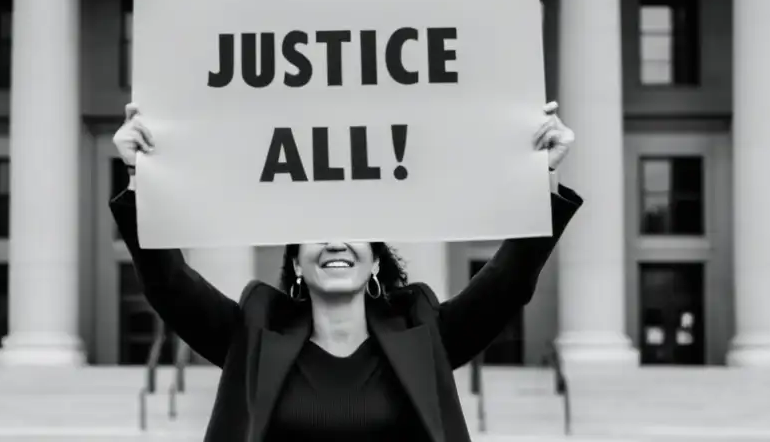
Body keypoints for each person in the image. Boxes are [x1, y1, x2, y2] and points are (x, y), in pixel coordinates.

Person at [110, 101, 583, 442]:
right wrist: (139, 178)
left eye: (353, 231)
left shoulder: (421, 328)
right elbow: (170, 285)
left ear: (375, 260)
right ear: (296, 262)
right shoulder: (254, 330)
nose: (336, 242)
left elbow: (506, 283)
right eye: (317, 233)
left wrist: (540, 178)